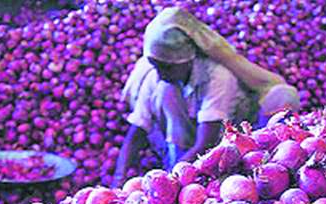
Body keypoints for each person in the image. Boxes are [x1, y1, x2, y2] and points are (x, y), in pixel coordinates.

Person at [112, 7, 300, 188]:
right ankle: (178, 171)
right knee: (164, 92)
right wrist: (119, 181)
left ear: (187, 59)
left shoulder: (217, 75)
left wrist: (170, 180)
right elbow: (136, 132)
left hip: (230, 147)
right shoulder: (159, 77)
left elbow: (206, 142)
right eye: (156, 65)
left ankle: (262, 168)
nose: (160, 73)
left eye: (167, 67)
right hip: (191, 150)